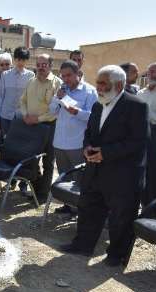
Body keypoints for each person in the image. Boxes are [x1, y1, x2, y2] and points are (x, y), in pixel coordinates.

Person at [60, 65, 149, 267]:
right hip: (95, 169)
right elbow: (90, 132)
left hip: (122, 174)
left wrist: (105, 153)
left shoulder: (136, 106)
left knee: (121, 216)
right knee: (88, 207)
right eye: (98, 82)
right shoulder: (99, 105)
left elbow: (138, 142)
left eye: (103, 84)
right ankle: (83, 245)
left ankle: (117, 256)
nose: (98, 87)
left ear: (118, 85)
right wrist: (87, 148)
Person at [49, 60, 97, 214]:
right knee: (64, 176)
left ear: (78, 73)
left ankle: (80, 208)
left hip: (77, 143)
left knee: (79, 179)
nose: (65, 79)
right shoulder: (62, 90)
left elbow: (93, 117)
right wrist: (58, 97)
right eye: (63, 76)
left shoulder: (89, 91)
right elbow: (51, 111)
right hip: (59, 141)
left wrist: (76, 111)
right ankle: (68, 205)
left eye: (69, 75)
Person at [20, 54, 62, 203]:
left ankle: (43, 194)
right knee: (31, 160)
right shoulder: (31, 81)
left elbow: (56, 110)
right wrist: (25, 115)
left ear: (50, 65)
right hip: (30, 126)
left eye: (44, 64)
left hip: (49, 126)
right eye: (38, 64)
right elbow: (22, 101)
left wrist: (37, 119)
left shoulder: (57, 83)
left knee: (48, 161)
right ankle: (37, 189)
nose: (41, 67)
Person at [137, 62, 156, 205]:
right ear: (147, 74)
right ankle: (146, 208)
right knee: (144, 171)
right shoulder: (140, 93)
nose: (155, 74)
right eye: (152, 72)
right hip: (141, 135)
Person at [0, 47, 34, 137]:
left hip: (22, 117)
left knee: (20, 142)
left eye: (23, 60)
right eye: (18, 59)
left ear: (27, 60)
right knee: (6, 143)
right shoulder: (5, 75)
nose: (21, 62)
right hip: (5, 116)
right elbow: (0, 96)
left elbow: (30, 97)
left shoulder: (30, 75)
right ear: (15, 59)